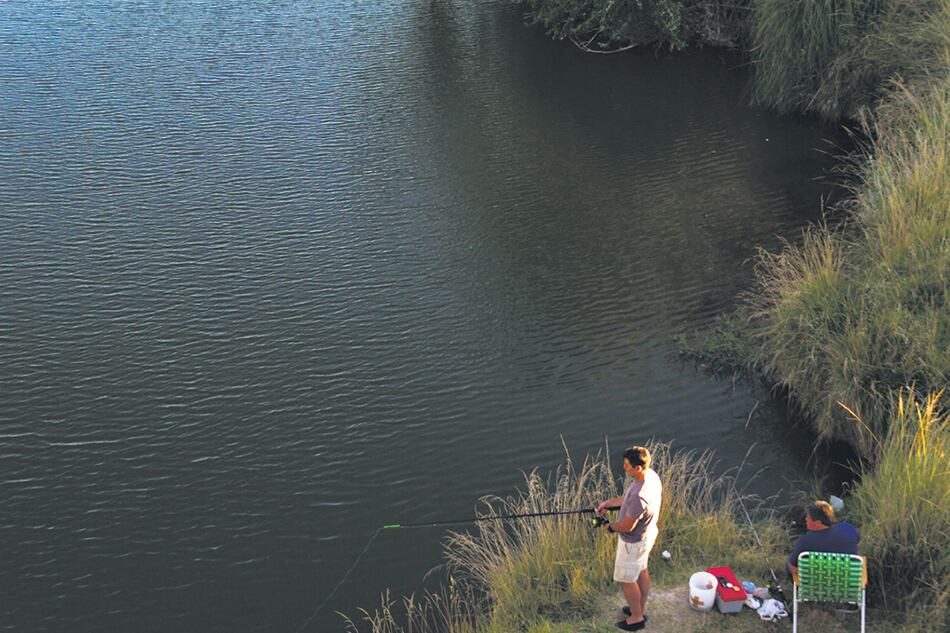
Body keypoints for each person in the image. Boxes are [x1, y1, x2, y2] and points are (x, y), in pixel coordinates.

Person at [596, 445, 662, 632]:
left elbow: (627, 525)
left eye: (627, 465)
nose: (624, 468)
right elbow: (628, 500)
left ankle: (636, 617)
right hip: (647, 535)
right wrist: (608, 503)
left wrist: (610, 527)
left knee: (626, 579)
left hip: (633, 543)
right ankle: (639, 607)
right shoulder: (651, 477)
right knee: (641, 570)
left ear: (637, 468)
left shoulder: (638, 496)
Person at [786, 500, 860, 584]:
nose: (806, 519)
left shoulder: (806, 540)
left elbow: (793, 567)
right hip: (847, 585)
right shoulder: (848, 528)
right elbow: (857, 543)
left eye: (808, 517)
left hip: (817, 587)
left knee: (788, 564)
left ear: (818, 523)